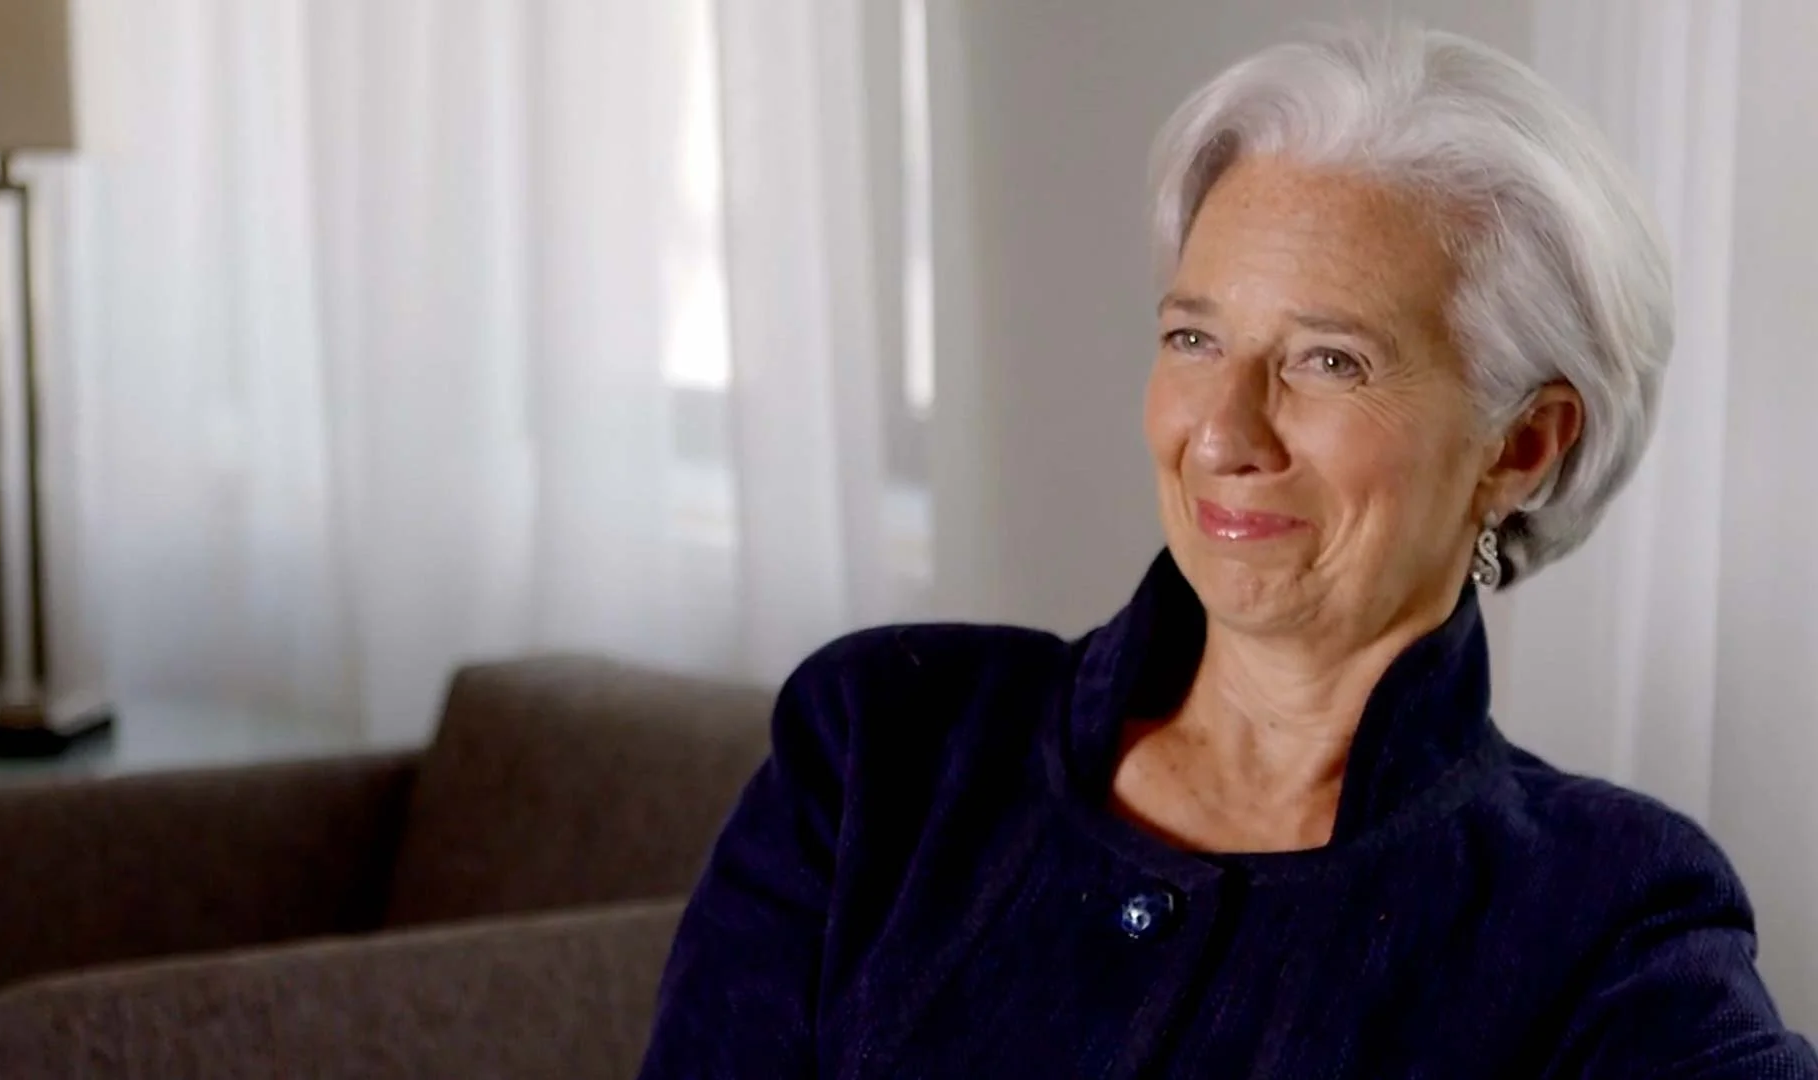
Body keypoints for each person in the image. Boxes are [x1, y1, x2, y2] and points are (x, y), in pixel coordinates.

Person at [638, 24, 1818, 1078]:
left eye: (1330, 359)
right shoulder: (886, 743)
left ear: (1521, 449)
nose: (1223, 430)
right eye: (1195, 336)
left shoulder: (1602, 916)